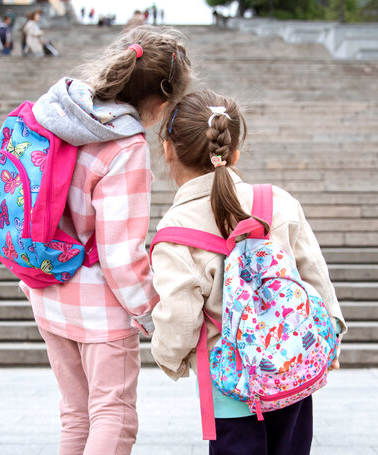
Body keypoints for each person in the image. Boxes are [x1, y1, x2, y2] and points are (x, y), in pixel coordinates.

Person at [22, 25, 191, 455]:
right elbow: (120, 254)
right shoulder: (125, 145)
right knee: (114, 416)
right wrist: (151, 314)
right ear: (161, 99)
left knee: (76, 415)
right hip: (99, 309)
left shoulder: (56, 112)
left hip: (47, 290)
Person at [149, 90, 345, 454]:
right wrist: (330, 336)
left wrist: (170, 358)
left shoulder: (175, 230)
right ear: (234, 152)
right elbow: (315, 277)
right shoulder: (278, 202)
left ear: (168, 150)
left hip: (231, 387)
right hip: (291, 372)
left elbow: (179, 317)